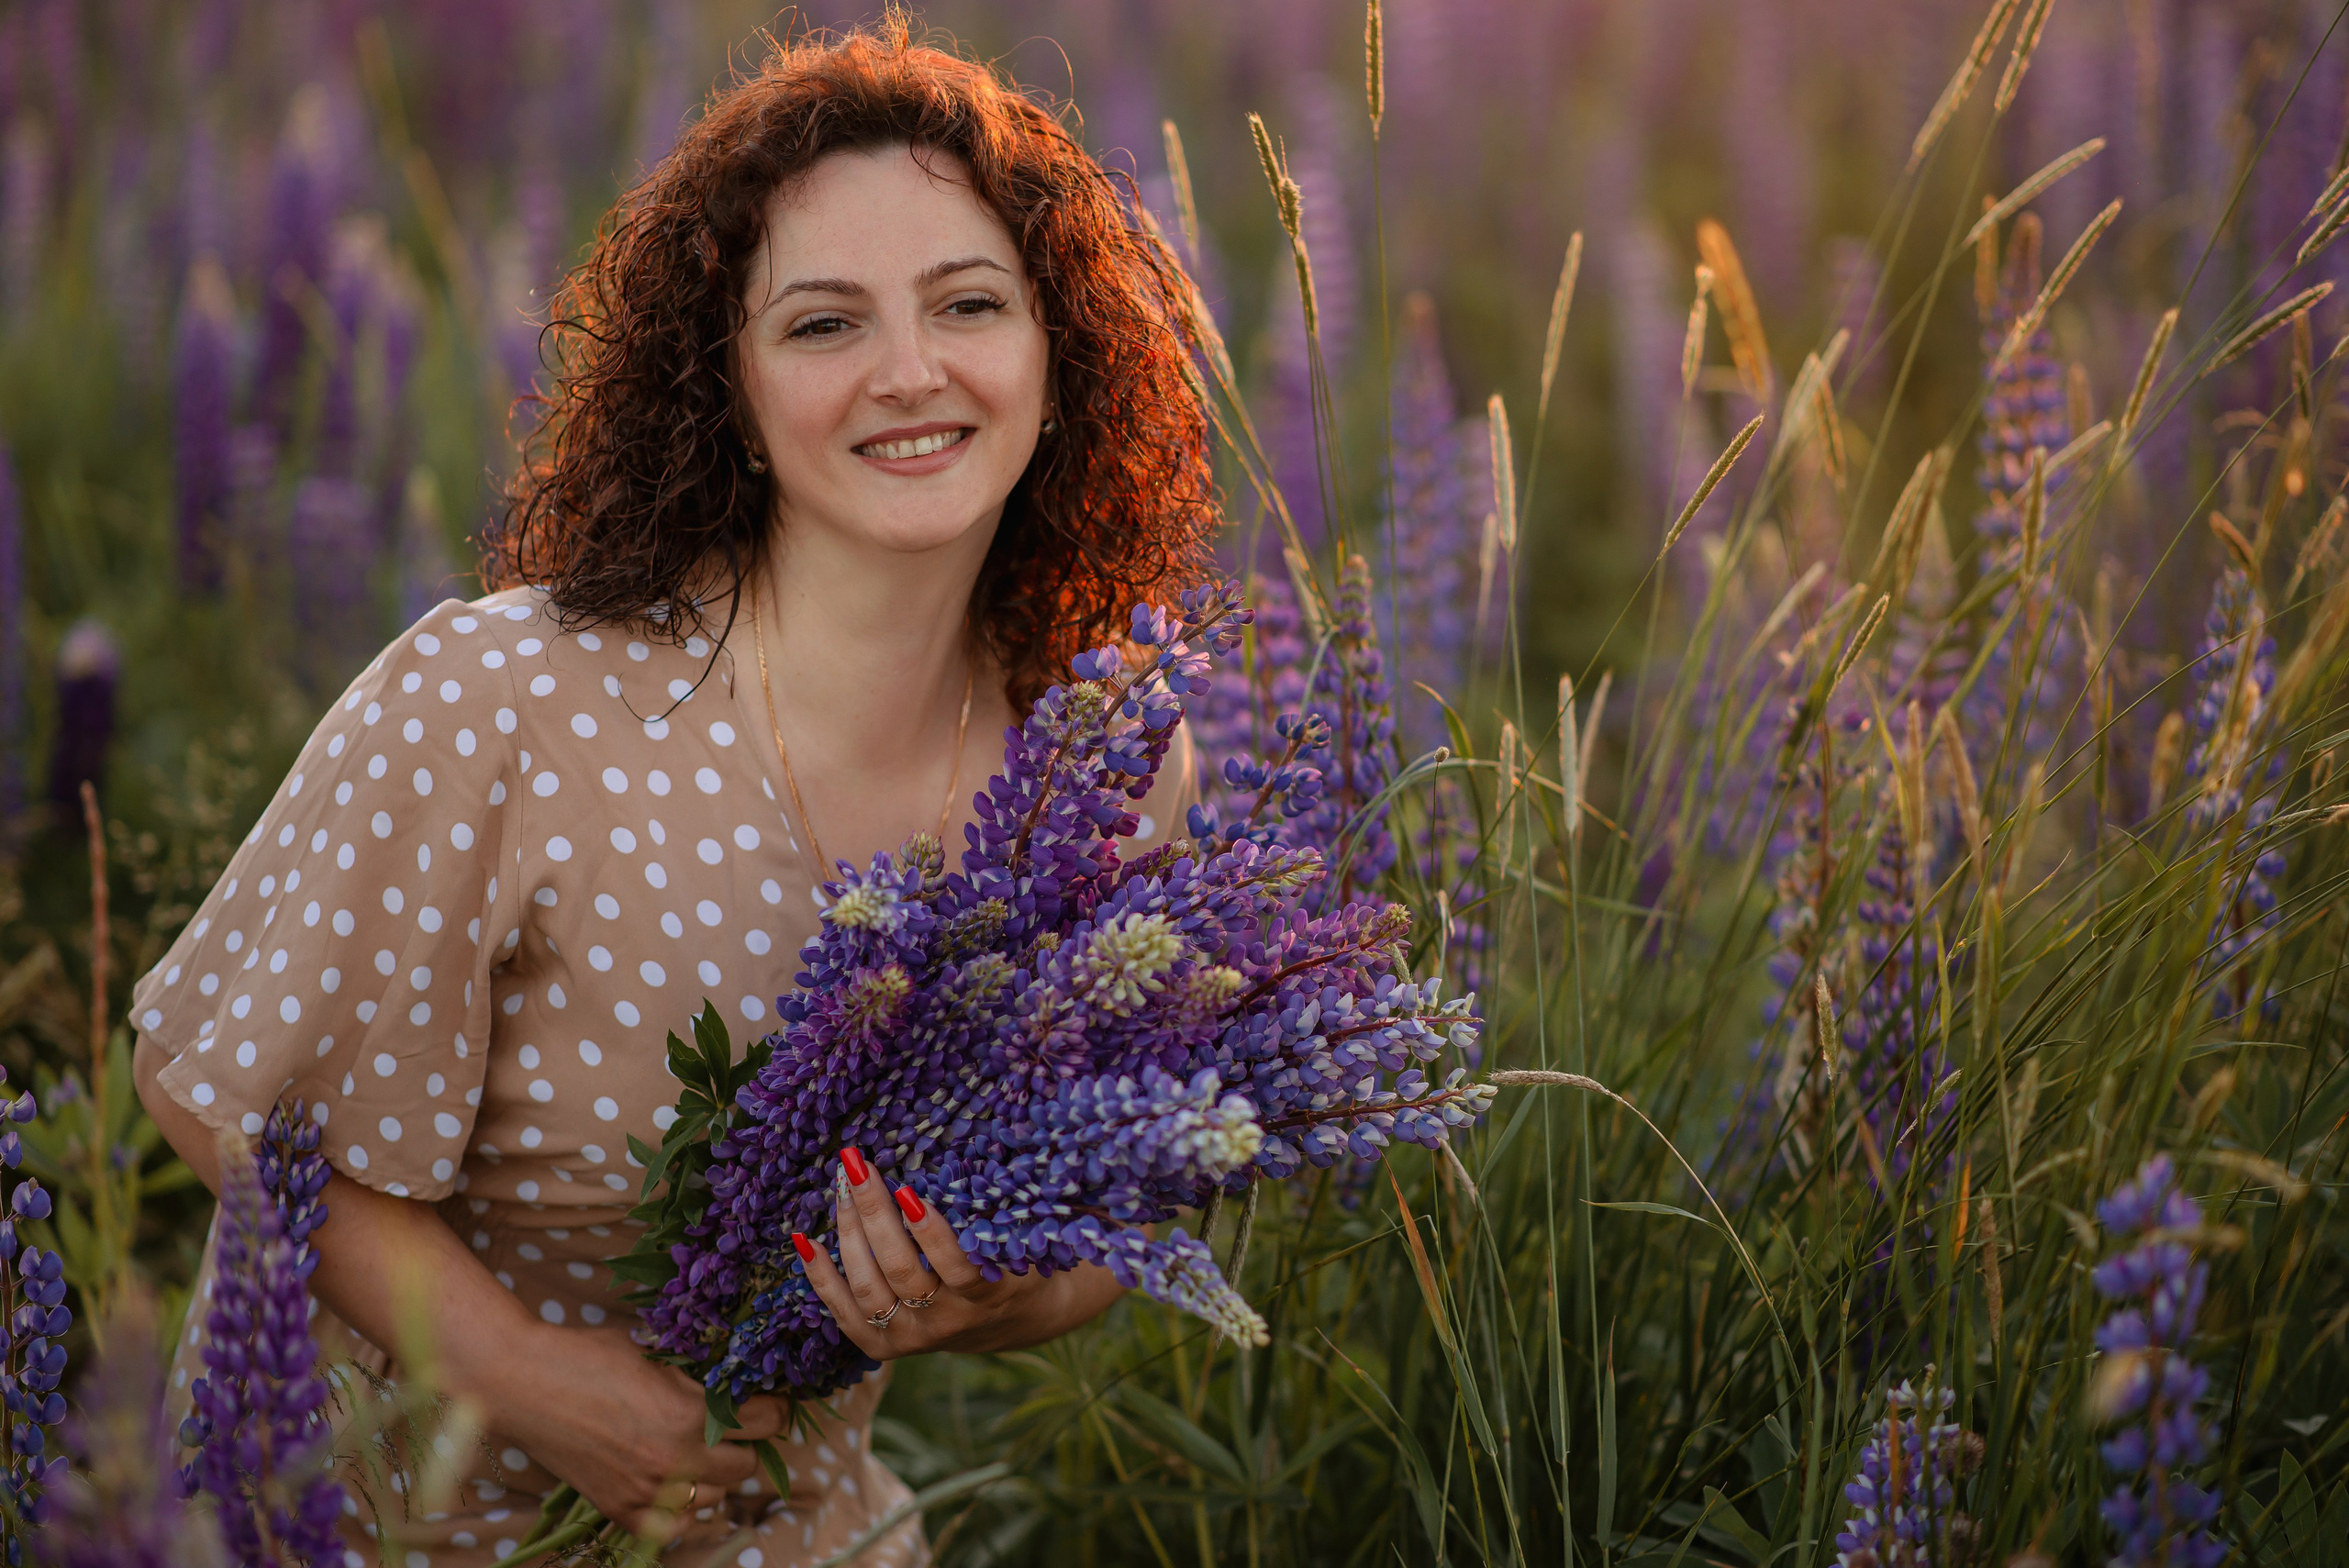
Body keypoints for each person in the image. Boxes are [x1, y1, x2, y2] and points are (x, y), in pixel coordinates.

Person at [129, 19, 1214, 1566]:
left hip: (787, 1530)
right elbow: (213, 1091)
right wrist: (521, 1373)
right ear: (736, 391)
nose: (911, 373)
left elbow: (1121, 1215)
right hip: (375, 1516)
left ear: (1059, 353)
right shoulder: (510, 695)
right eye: (824, 325)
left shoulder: (1108, 760)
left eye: (969, 304)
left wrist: (992, 1291)